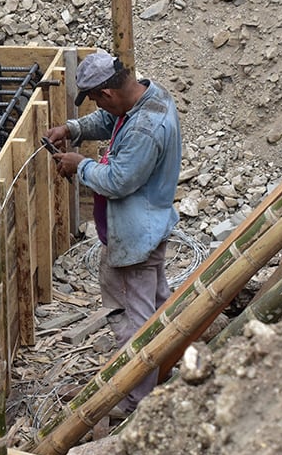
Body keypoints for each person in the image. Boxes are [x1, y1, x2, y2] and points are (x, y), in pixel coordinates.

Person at [44, 50, 182, 417]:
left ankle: (137, 401)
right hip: (149, 229)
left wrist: (81, 165)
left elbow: (119, 180)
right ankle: (165, 369)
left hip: (135, 241)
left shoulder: (144, 128)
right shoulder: (144, 100)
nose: (97, 107)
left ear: (106, 92)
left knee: (133, 322)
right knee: (155, 306)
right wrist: (72, 130)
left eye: (94, 99)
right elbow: (108, 121)